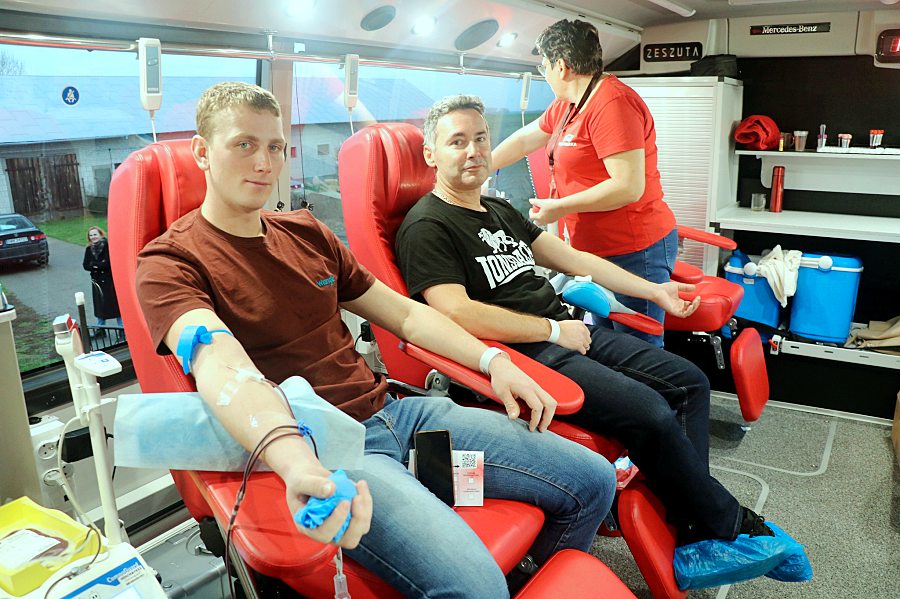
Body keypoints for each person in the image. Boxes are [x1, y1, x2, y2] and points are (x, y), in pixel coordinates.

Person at [135, 82, 616, 598]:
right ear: (202, 152)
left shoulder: (306, 233)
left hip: (398, 416)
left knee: (593, 481)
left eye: (275, 146)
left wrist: (493, 360)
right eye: (244, 144)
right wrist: (296, 463)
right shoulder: (171, 262)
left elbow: (406, 316)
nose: (263, 163)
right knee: (479, 589)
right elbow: (220, 364)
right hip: (326, 447)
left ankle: (527, 580)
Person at [396, 94, 776, 548]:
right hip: (523, 353)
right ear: (431, 154)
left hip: (565, 333)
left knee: (690, 382)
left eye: (480, 138)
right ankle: (723, 523)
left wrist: (654, 290)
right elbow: (455, 312)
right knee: (652, 412)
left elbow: (574, 258)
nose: (474, 151)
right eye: (457, 142)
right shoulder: (427, 225)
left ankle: (690, 516)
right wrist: (554, 331)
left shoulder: (499, 210)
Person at [492, 19, 676, 347]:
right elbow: (524, 140)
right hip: (596, 252)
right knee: (613, 344)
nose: (544, 73)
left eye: (544, 65)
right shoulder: (568, 104)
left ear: (561, 66)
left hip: (634, 249)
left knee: (640, 348)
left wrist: (559, 207)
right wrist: (482, 166)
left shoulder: (613, 104)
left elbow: (627, 187)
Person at [82, 225, 122, 327]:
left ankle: (121, 329)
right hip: (97, 281)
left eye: (95, 234)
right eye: (91, 235)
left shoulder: (108, 246)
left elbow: (108, 263)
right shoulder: (89, 249)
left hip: (109, 280)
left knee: (115, 304)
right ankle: (101, 328)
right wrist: (99, 265)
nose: (93, 237)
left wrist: (94, 265)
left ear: (100, 234)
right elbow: (85, 265)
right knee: (100, 306)